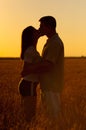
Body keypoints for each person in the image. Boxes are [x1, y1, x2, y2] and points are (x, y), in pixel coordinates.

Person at [22, 16, 64, 125]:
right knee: (49, 117)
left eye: (42, 26)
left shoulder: (55, 43)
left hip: (52, 87)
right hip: (47, 86)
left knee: (53, 118)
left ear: (49, 27)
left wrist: (28, 69)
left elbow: (48, 65)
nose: (39, 28)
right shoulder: (50, 41)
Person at [18, 26, 41, 123]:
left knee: (27, 114)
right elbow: (25, 69)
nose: (38, 31)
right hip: (29, 84)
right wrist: (42, 66)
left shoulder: (31, 49)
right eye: (35, 31)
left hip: (27, 84)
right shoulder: (31, 50)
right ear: (31, 36)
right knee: (30, 117)